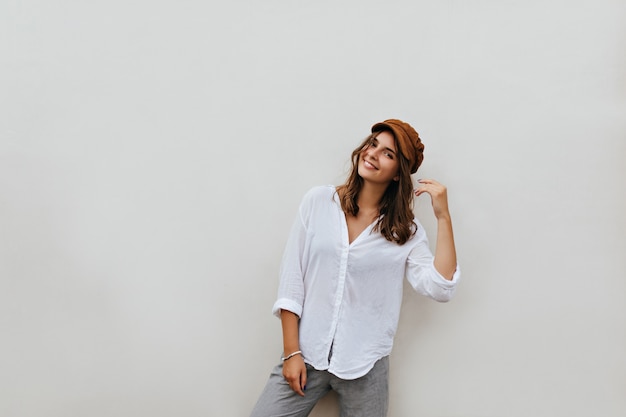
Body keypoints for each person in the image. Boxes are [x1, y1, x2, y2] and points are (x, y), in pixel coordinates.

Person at [250, 119, 461, 417]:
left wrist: (443, 217)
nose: (373, 154)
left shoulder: (405, 233)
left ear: (399, 174)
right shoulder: (319, 202)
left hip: (365, 366)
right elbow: (291, 280)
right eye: (373, 144)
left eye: (387, 153)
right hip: (306, 355)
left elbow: (440, 287)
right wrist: (292, 353)